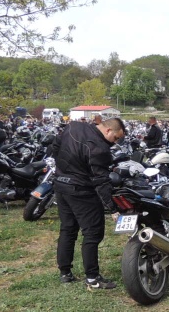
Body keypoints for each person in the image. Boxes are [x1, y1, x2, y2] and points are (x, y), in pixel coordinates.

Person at [51, 117, 128, 289]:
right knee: (93, 232)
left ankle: (65, 273)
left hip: (61, 183)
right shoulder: (100, 149)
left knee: (68, 228)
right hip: (81, 189)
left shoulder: (73, 126)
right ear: (108, 130)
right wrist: (113, 209)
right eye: (115, 138)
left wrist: (63, 169)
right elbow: (101, 181)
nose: (114, 143)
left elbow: (55, 147)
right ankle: (92, 278)